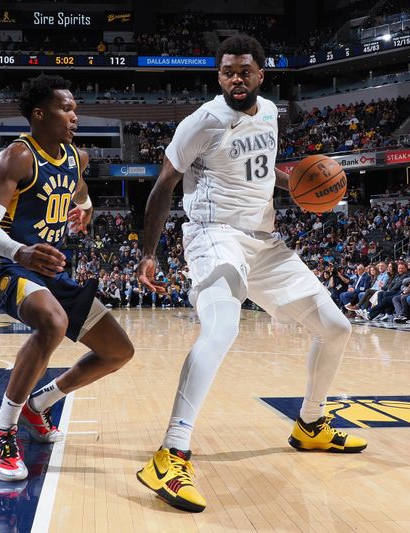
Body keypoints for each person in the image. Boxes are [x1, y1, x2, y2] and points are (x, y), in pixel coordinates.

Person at [135, 35, 367, 513]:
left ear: (262, 73)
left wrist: (300, 188)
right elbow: (163, 186)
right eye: (227, 72)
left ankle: (309, 424)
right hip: (213, 233)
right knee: (222, 326)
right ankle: (171, 452)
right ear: (218, 77)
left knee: (336, 329)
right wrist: (147, 254)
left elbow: (259, 173)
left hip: (265, 242)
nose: (235, 79)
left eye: (244, 71)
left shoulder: (271, 112)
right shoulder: (203, 121)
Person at [0, 75, 134, 482]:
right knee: (54, 322)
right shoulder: (17, 157)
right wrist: (19, 250)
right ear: (40, 114)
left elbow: (79, 192)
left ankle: (38, 405)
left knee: (118, 351)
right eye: (67, 108)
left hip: (53, 271)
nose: (75, 115)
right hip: (8, 266)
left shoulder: (75, 158)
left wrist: (87, 208)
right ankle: (2, 430)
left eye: (75, 108)